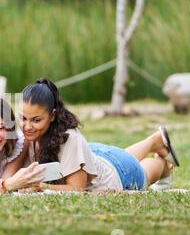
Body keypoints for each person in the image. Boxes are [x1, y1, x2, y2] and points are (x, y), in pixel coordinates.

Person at [18, 78, 180, 192]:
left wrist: (42, 187)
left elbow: (77, 189)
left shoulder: (70, 139)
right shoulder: (31, 137)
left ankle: (162, 164)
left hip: (118, 175)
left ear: (52, 115)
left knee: (142, 172)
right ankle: (153, 141)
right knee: (123, 159)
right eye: (23, 118)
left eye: (36, 120)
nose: (27, 126)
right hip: (97, 157)